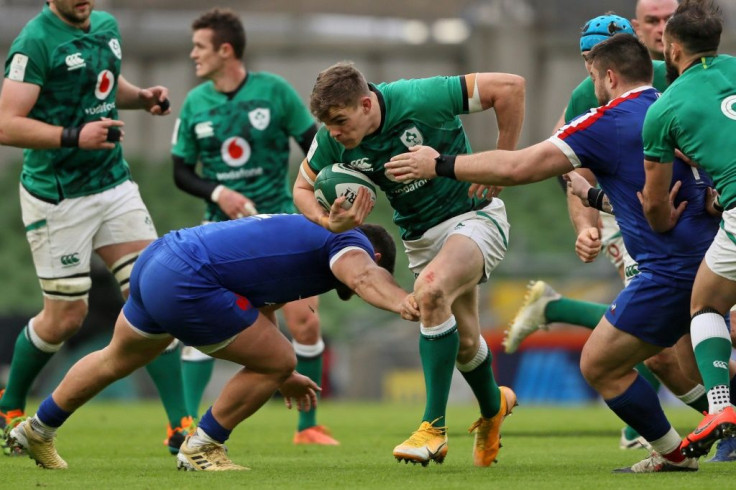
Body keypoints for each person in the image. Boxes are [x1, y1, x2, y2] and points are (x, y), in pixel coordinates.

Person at [386, 33, 722, 472]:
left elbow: (520, 166)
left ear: (608, 76)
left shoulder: (607, 120)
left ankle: (674, 455)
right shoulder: (675, 105)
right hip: (714, 254)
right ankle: (687, 442)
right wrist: (600, 199)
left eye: (593, 76)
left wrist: (439, 164)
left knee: (601, 364)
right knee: (684, 358)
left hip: (670, 270)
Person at [6, 212, 419, 470]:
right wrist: (406, 301)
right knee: (278, 358)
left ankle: (38, 428)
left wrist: (283, 372)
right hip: (189, 276)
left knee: (115, 358)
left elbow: (262, 308)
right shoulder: (350, 241)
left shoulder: (305, 232)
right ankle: (202, 447)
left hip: (159, 257)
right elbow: (364, 276)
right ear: (376, 255)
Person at [293, 62, 525, 467]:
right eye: (328, 124)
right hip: (422, 240)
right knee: (466, 344)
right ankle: (494, 407)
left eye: (340, 121)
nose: (334, 132)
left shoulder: (421, 97)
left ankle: (432, 428)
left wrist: (499, 161)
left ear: (366, 103)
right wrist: (328, 221)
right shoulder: (334, 142)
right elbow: (301, 188)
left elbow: (510, 87)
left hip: (474, 217)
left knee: (431, 290)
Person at [502, 9, 711, 453]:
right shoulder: (588, 94)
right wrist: (587, 222)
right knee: (660, 344)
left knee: (676, 339)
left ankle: (696, 428)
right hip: (635, 221)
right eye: (651, 18)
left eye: (664, 19)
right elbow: (572, 168)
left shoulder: (686, 73)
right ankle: (677, 434)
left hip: (688, 223)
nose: (659, 28)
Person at [0, 0, 193, 456]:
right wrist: (73, 136)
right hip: (59, 195)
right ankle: (10, 406)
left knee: (157, 294)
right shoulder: (34, 42)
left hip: (113, 185)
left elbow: (101, 86)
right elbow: (7, 123)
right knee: (66, 316)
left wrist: (140, 97)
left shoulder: (105, 25)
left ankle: (179, 426)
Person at [170, 8, 337, 446]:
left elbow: (313, 146)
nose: (193, 55)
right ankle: (188, 424)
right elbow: (181, 172)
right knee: (196, 334)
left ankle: (308, 427)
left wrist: (325, 195)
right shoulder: (195, 103)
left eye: (200, 47)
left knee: (305, 325)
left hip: (281, 226)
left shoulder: (274, 91)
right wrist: (218, 193)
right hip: (220, 238)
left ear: (226, 51)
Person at [639, 0, 736, 460]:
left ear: (671, 48)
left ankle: (720, 407)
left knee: (705, 305)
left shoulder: (665, 108)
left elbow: (657, 204)